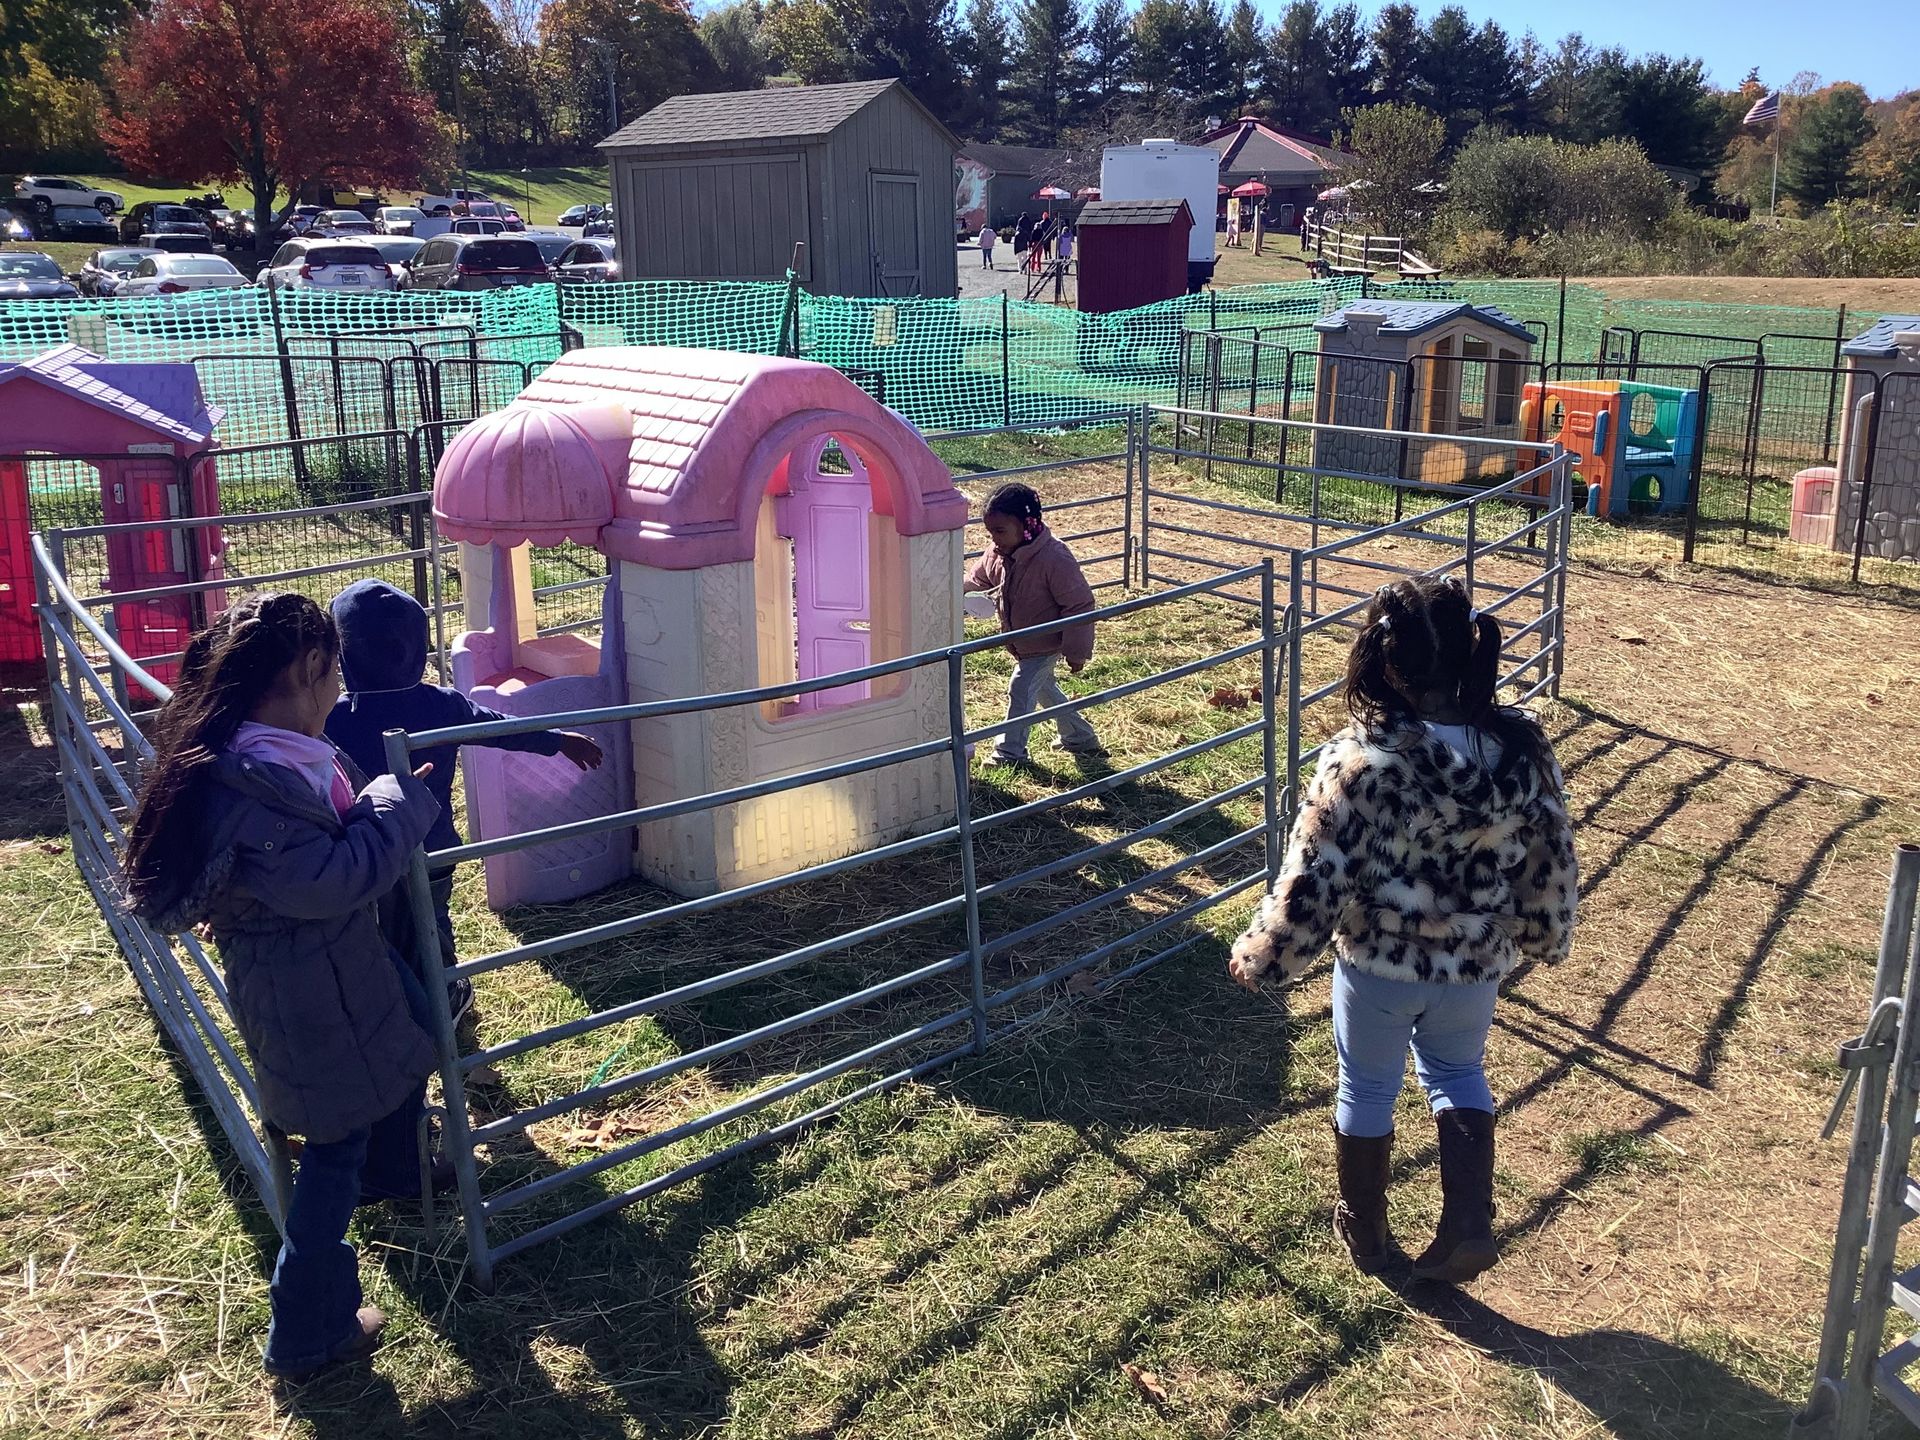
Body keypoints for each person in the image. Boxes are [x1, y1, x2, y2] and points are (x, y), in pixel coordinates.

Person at [120, 591, 445, 1380]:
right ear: (308, 669)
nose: (340, 692)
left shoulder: (266, 755)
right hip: (307, 994)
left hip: (329, 973)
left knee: (398, 1054)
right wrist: (399, 807)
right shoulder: (260, 779)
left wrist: (374, 804)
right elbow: (328, 880)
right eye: (333, 675)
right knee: (331, 1157)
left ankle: (401, 1171)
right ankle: (306, 1328)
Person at [1227, 576, 1578, 1284]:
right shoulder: (1519, 753)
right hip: (1475, 965)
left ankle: (1369, 1235)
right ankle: (1468, 1225)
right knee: (1458, 1072)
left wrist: (1266, 954)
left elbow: (1317, 876)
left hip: (1380, 968)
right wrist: (1543, 933)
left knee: (1366, 1087)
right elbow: (1552, 855)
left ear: (1383, 662)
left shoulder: (1359, 765)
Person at [323, 579, 602, 1023]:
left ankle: (392, 997)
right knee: (430, 925)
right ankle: (443, 996)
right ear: (419, 649)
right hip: (430, 846)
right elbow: (501, 729)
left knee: (375, 927)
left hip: (363, 851)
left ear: (343, 653)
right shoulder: (440, 704)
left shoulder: (331, 716)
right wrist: (559, 741)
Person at [963, 483, 1106, 766]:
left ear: (1027, 524)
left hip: (1046, 642)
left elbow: (1079, 605)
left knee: (1021, 688)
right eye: (990, 531)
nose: (994, 538)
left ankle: (1009, 753)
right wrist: (961, 593)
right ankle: (1080, 736)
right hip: (1021, 641)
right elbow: (980, 579)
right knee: (1042, 689)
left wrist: (1076, 652)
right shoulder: (998, 552)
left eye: (1000, 531)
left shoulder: (1054, 558)